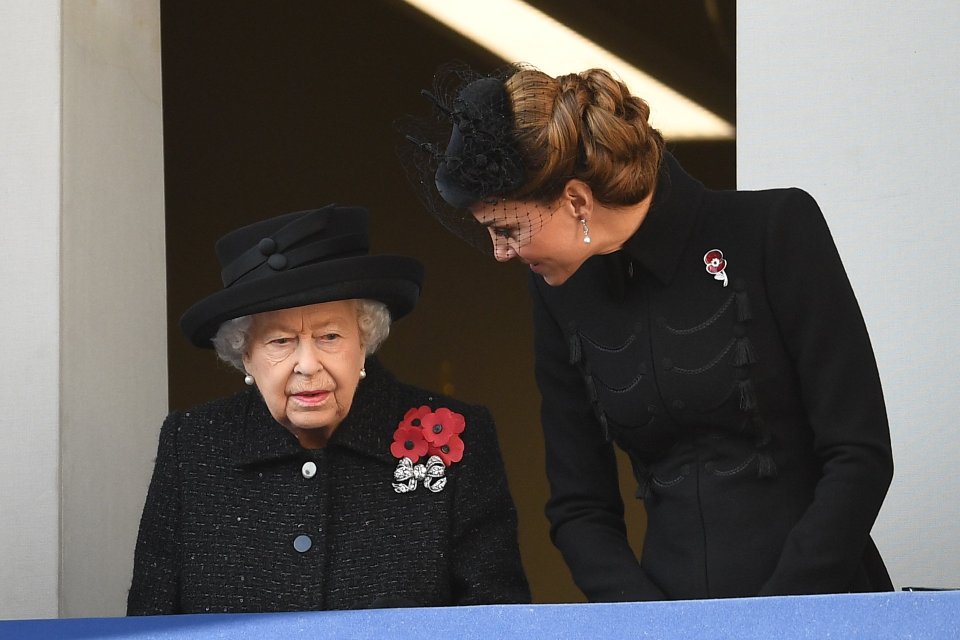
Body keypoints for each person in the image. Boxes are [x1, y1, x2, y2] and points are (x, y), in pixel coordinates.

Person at [399, 62, 894, 601]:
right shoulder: (558, 293)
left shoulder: (775, 228)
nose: (500, 253)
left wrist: (777, 617)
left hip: (820, 606)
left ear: (576, 201)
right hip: (662, 618)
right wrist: (649, 625)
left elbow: (859, 455)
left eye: (509, 229)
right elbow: (578, 506)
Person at [127, 204, 530, 614]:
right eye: (280, 341)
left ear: (365, 340)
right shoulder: (193, 446)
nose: (308, 364)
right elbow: (148, 622)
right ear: (244, 354)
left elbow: (497, 616)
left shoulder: (455, 434)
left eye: (330, 336)